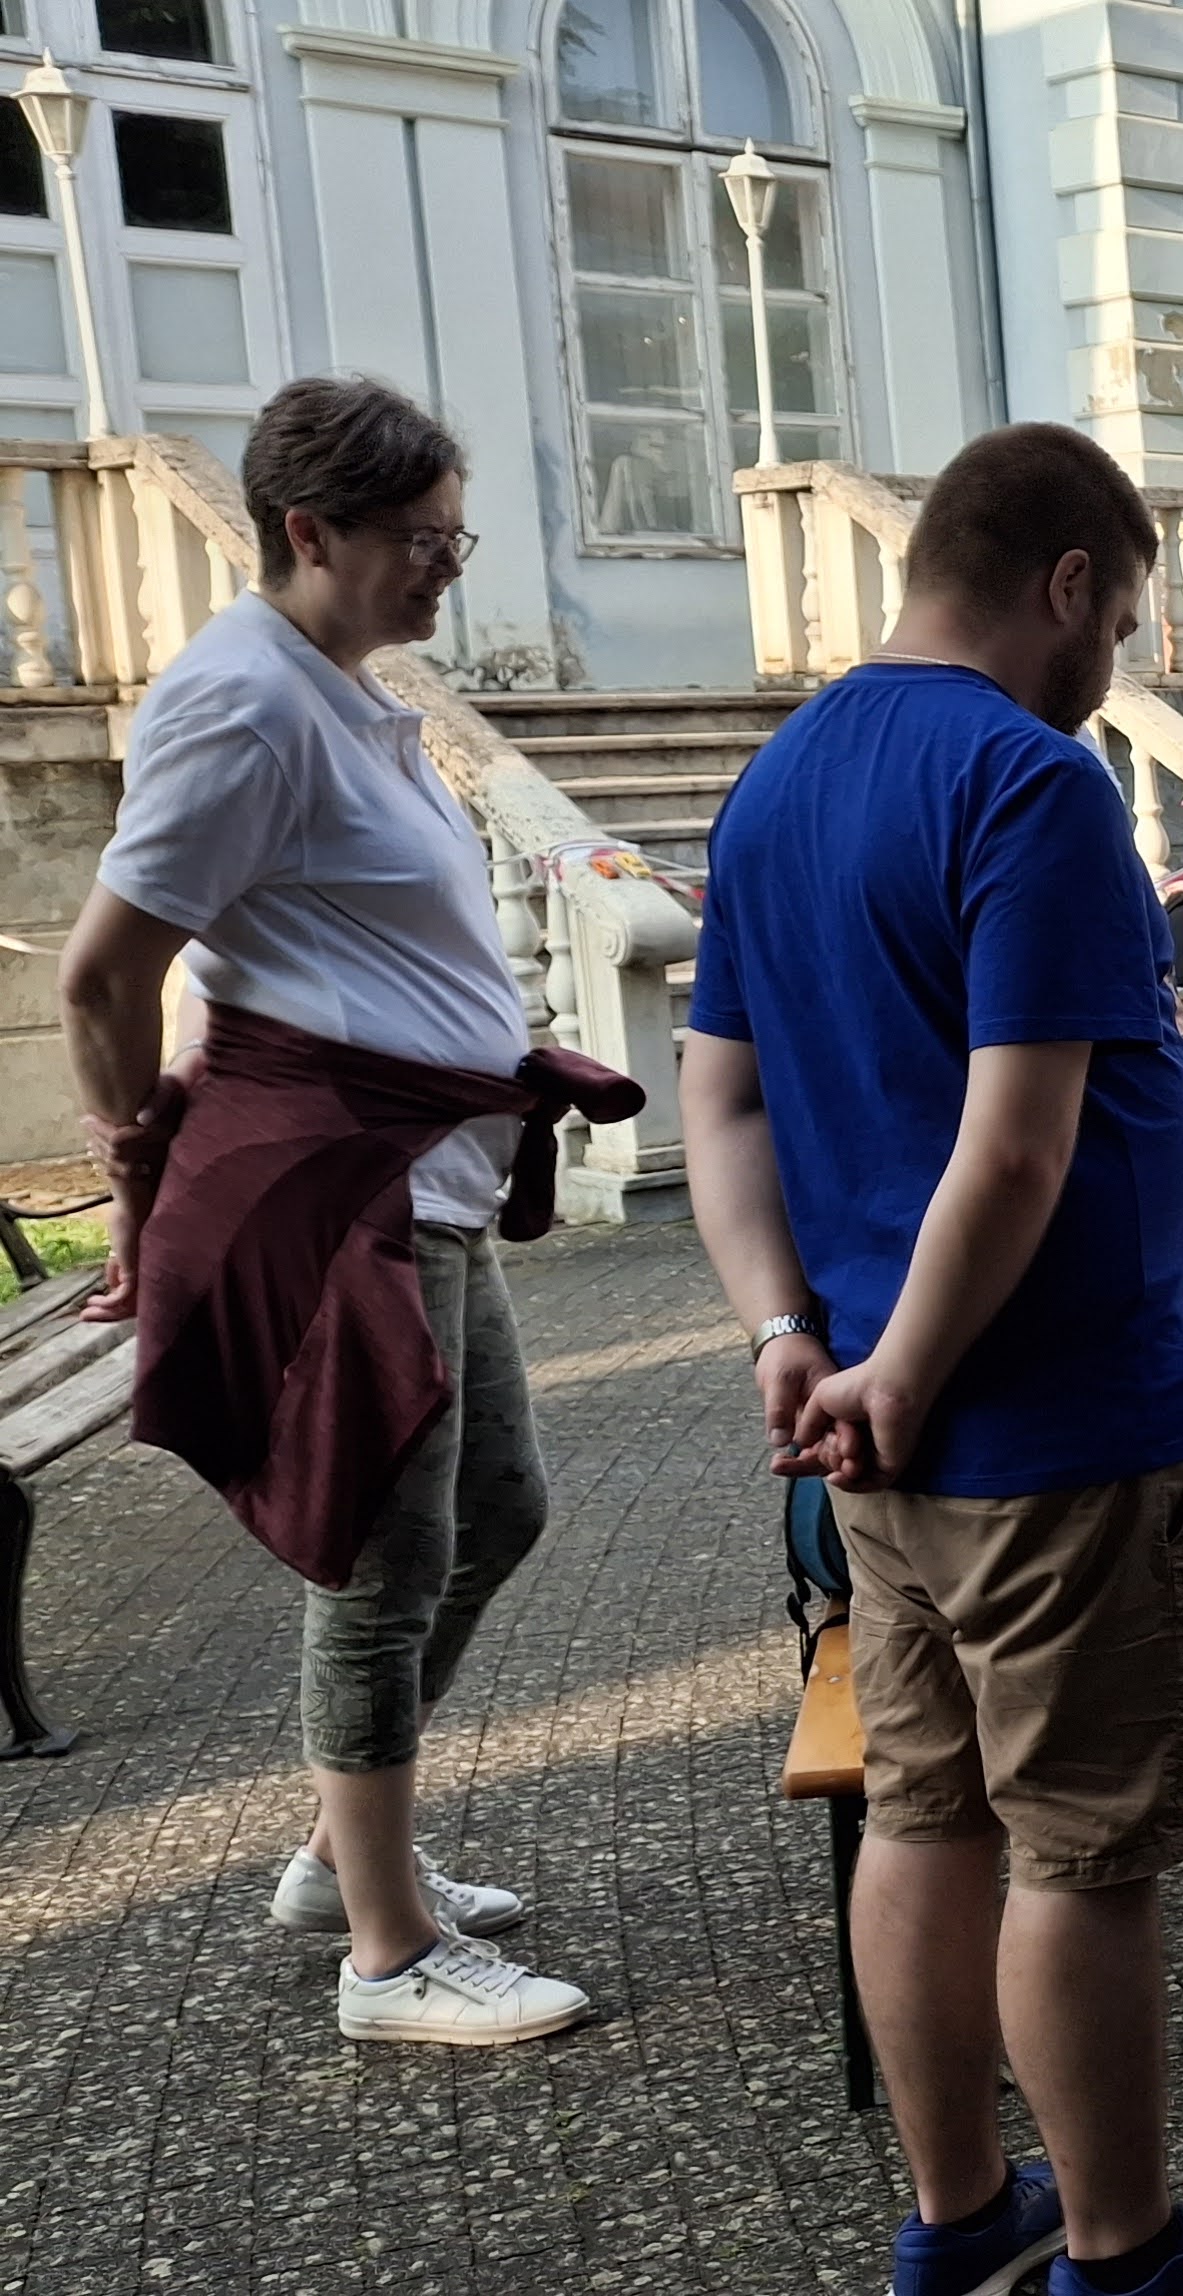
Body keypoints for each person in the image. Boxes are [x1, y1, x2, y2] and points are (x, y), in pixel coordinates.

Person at [679, 421, 1183, 2296]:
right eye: (1118, 621)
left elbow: (720, 1103)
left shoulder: (778, 780)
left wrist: (792, 1334)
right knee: (1082, 1851)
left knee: (922, 1817)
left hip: (880, 1436)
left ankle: (962, 2217)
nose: (1109, 665)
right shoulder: (1028, 780)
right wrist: (902, 1365)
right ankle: (1127, 2262)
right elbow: (1017, 1145)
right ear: (1067, 580)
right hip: (1055, 1421)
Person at [56, 376, 592, 2047]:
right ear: (311, 530)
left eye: (456, 539)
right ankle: (387, 1954)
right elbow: (103, 977)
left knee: (495, 1510)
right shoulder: (242, 705)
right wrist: (138, 1178)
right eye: (422, 541)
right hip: (341, 1192)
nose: (447, 570)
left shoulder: (342, 690)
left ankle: (335, 1858)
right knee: (383, 1550)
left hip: (424, 1174)